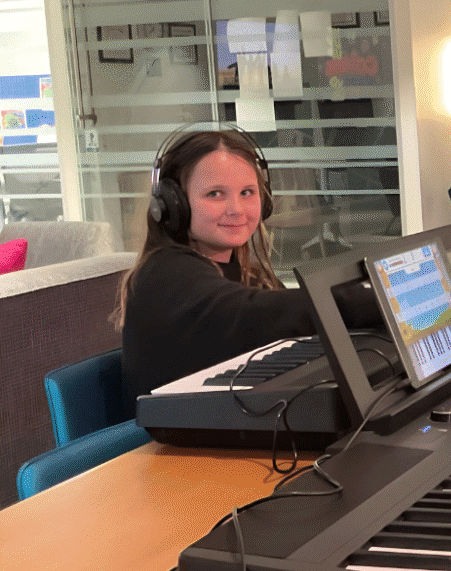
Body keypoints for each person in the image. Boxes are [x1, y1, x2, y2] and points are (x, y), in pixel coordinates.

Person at [111, 127, 379, 418]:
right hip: (162, 452)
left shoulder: (243, 272)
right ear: (174, 204)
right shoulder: (166, 274)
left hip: (215, 423)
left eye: (247, 193)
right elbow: (260, 314)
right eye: (215, 194)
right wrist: (375, 301)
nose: (236, 209)